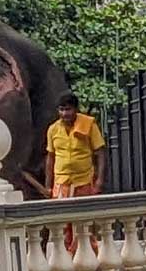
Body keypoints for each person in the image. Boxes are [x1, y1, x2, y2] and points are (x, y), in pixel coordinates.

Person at [45, 91, 107, 253]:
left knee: (84, 221)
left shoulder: (89, 125)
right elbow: (50, 158)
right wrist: (48, 186)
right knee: (64, 223)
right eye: (61, 110)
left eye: (68, 110)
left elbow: (100, 152)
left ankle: (89, 256)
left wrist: (99, 180)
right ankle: (68, 257)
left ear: (76, 109)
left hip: (83, 180)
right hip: (61, 183)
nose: (65, 114)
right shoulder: (53, 129)